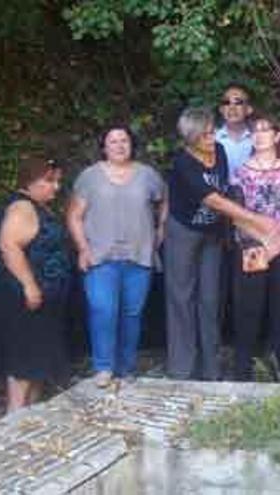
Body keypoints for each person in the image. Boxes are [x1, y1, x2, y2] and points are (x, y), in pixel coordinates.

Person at [164, 107, 276, 381]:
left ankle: (211, 367)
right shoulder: (182, 162)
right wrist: (255, 220)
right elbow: (212, 199)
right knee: (182, 297)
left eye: (212, 131)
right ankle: (182, 367)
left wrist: (252, 229)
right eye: (204, 135)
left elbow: (225, 193)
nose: (211, 137)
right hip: (183, 231)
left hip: (212, 233)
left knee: (211, 299)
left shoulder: (221, 153)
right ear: (191, 137)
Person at [66, 126, 167, 388]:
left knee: (132, 314)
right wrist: (82, 248)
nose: (120, 145)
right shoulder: (89, 177)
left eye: (124, 140)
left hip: (139, 256)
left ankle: (126, 367)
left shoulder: (148, 175)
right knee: (103, 311)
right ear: (104, 146)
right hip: (100, 257)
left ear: (132, 145)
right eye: (113, 141)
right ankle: (103, 367)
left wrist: (159, 232)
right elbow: (74, 216)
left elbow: (164, 201)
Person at [0, 157, 71, 411]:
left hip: (40, 298)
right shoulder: (22, 207)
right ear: (29, 182)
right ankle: (15, 422)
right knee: (24, 361)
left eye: (58, 181)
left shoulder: (37, 206)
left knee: (36, 362)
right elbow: (9, 246)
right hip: (24, 298)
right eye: (49, 181)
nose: (56, 187)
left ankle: (28, 420)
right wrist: (29, 286)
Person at [229, 114, 280, 381]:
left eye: (266, 130)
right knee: (249, 307)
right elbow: (237, 215)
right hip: (252, 248)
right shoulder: (240, 173)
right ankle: (243, 368)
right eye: (255, 131)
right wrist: (265, 242)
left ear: (276, 136)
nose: (260, 135)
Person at [215, 82, 255, 181]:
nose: (232, 108)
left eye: (238, 103)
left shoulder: (259, 139)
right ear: (221, 109)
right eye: (227, 103)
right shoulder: (211, 139)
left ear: (249, 109)